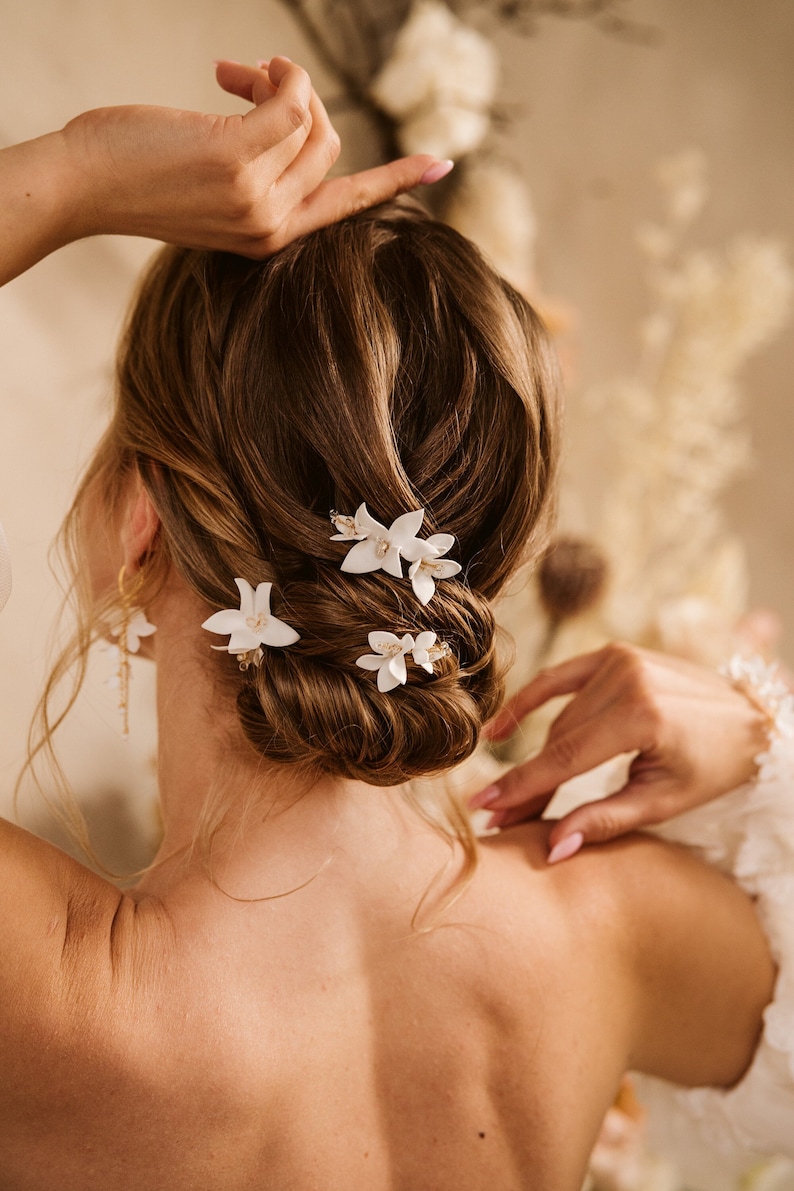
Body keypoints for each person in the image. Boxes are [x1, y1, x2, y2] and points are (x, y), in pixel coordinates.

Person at [0, 57, 787, 1191]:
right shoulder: (604, 936)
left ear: (137, 522)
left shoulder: (57, 993)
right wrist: (763, 745)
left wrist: (70, 175)